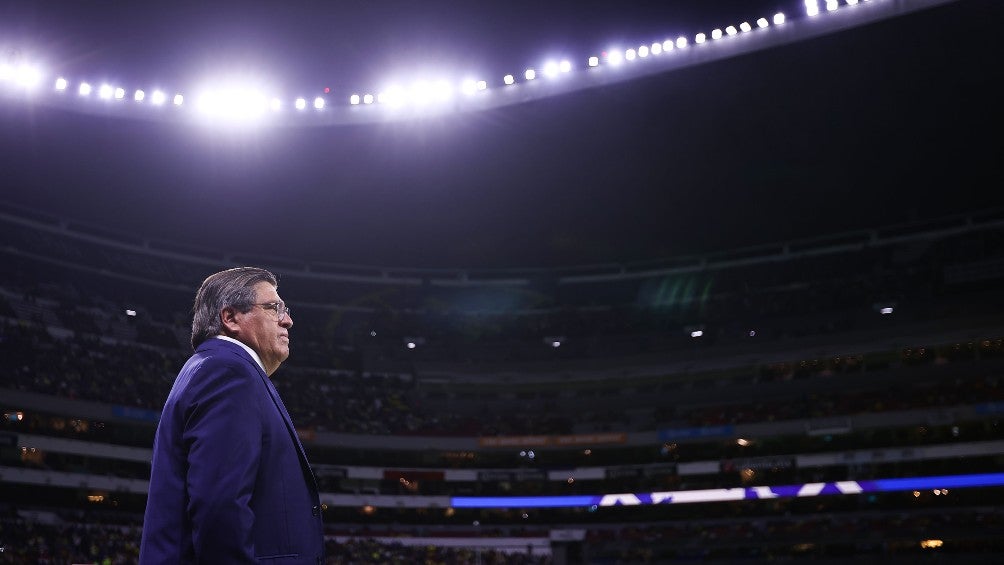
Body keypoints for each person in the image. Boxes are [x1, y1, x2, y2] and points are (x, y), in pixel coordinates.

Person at [140, 267, 325, 564]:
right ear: (230, 318)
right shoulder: (228, 371)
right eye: (273, 307)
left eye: (285, 309)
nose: (287, 319)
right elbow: (220, 505)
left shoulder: (215, 367)